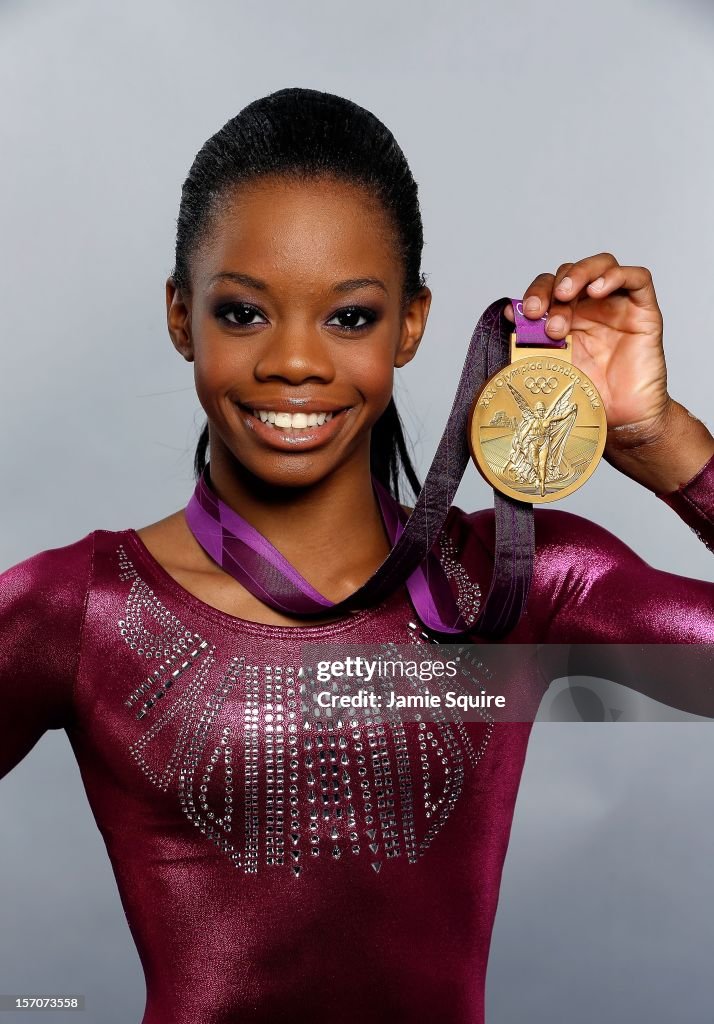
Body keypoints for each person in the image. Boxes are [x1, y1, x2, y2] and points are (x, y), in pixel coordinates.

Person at [1, 86, 712, 1024]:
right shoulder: (79, 610)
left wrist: (668, 445)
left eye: (349, 318)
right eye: (244, 313)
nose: (295, 362)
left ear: (412, 324)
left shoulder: (515, 584)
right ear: (181, 317)